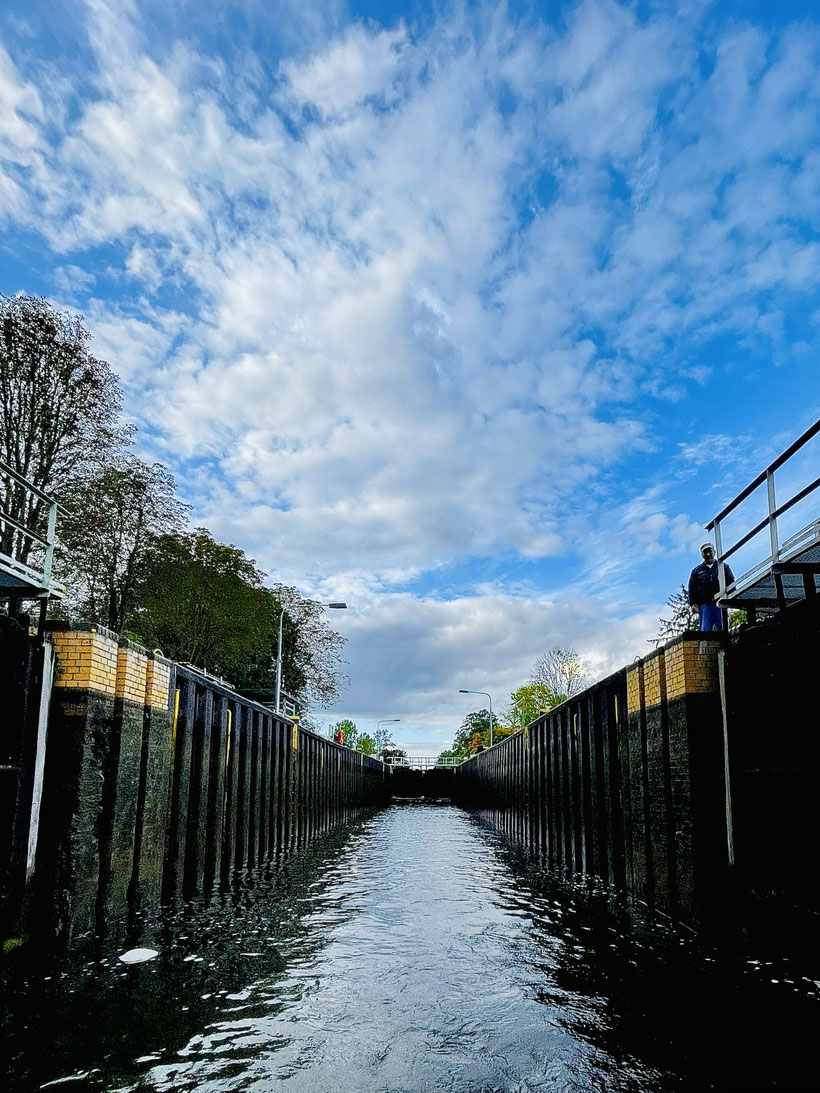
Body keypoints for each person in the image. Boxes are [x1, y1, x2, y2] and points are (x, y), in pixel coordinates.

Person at [688, 542, 734, 630]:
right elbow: (691, 588)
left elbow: (731, 582)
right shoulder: (696, 571)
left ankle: (725, 643)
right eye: (705, 552)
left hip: (720, 602)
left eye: (710, 551)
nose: (708, 554)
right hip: (704, 604)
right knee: (705, 630)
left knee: (723, 629)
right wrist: (693, 603)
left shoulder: (723, 567)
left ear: (714, 552)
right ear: (702, 555)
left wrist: (732, 598)